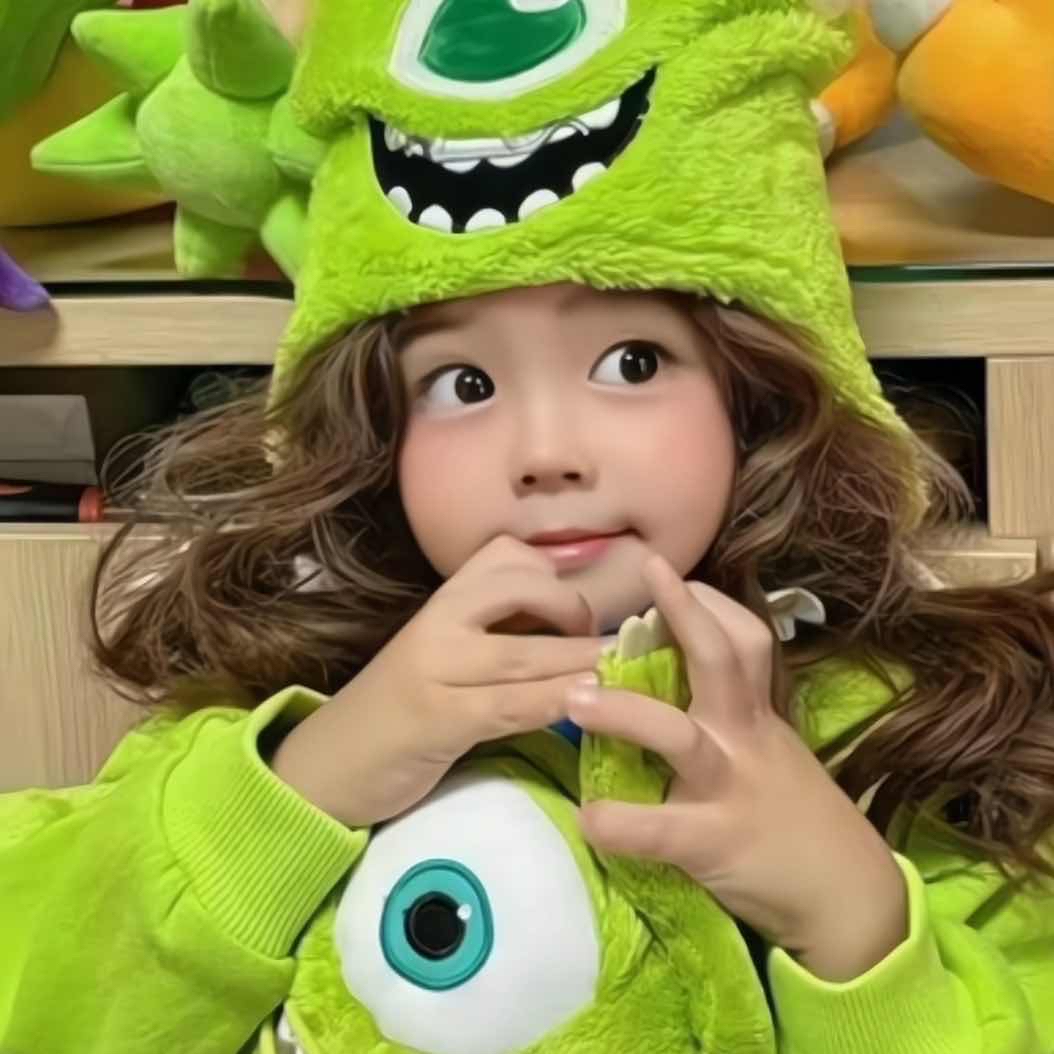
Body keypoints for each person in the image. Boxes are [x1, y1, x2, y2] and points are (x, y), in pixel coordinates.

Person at [3, 0, 1054, 1051]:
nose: (546, 451)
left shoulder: (923, 742)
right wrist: (301, 786)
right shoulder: (277, 704)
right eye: (462, 383)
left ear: (756, 395)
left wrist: (854, 921)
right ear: (375, 429)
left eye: (632, 363)